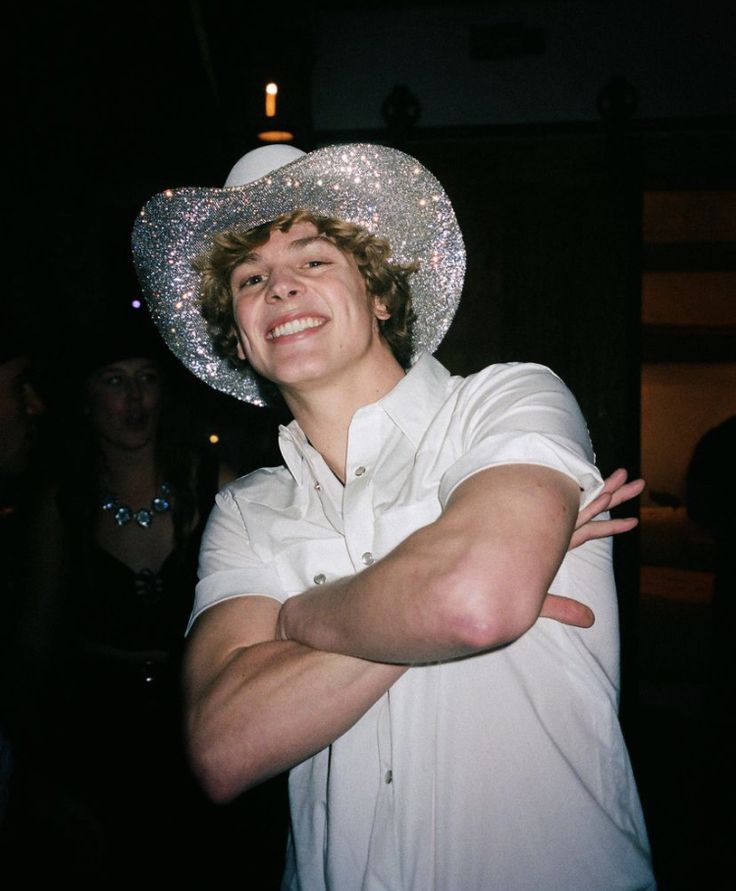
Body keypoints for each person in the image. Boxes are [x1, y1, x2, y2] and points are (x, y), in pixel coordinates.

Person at [132, 143, 655, 889]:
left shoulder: (504, 403)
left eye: (313, 261)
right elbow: (223, 746)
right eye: (251, 279)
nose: (280, 287)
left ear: (379, 294)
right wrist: (421, 609)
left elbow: (472, 602)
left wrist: (298, 618)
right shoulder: (247, 509)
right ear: (240, 335)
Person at [16, 298, 288, 885]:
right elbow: (35, 645)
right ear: (88, 400)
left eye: (146, 380)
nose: (134, 398)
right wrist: (38, 772)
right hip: (96, 730)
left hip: (193, 716)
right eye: (115, 381)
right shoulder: (63, 503)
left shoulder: (212, 483)